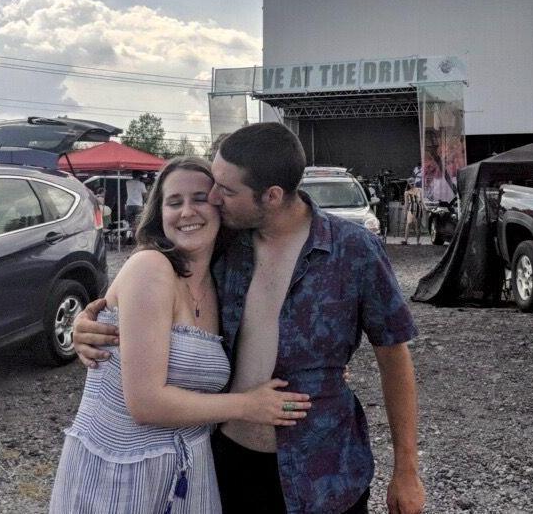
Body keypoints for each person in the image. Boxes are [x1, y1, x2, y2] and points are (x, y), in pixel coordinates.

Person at [74, 124, 426, 514]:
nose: (212, 198)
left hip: (326, 472)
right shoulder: (224, 243)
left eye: (225, 190)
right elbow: (148, 284)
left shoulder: (354, 251)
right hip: (228, 466)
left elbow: (394, 359)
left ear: (271, 196)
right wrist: (88, 326)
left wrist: (406, 470)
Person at [50, 156, 311, 513]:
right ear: (160, 214)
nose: (187, 211)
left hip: (189, 471)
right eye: (174, 202)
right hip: (122, 471)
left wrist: (318, 367)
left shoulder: (225, 280)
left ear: (221, 207)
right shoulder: (150, 267)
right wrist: (250, 405)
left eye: (200, 198)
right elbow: (145, 404)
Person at [402, 178, 424, 246]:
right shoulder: (407, 192)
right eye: (411, 184)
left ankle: (418, 241)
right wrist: (405, 212)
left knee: (417, 225)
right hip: (411, 208)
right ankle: (405, 240)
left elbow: (422, 200)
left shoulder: (419, 190)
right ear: (408, 184)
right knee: (408, 224)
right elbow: (406, 204)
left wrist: (425, 208)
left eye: (413, 183)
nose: (412, 185)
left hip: (418, 208)